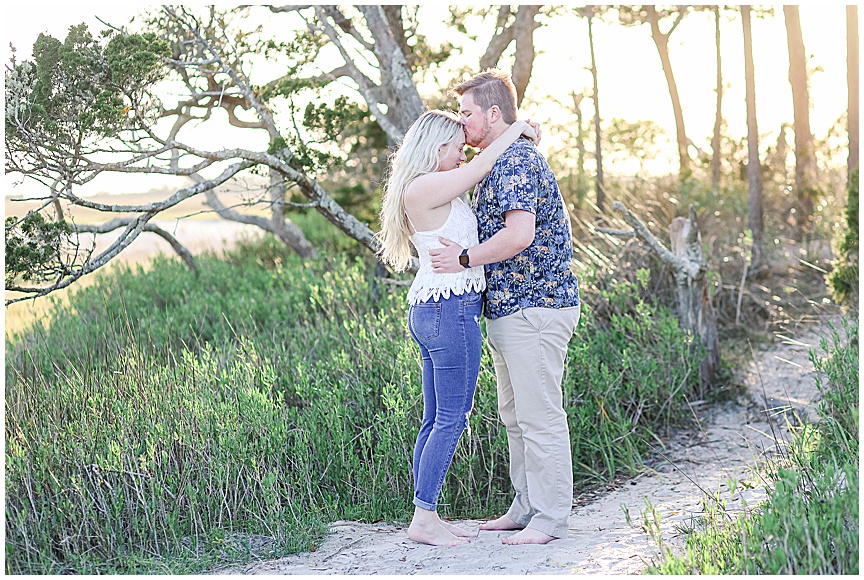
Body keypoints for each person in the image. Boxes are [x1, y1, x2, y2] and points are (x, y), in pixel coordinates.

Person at [429, 69, 581, 546]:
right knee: (516, 415)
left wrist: (464, 259)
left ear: (495, 114)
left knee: (540, 416)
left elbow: (519, 235)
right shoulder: (500, 159)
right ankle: (526, 506)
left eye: (467, 113)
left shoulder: (515, 161)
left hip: (536, 305)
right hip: (512, 309)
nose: (461, 122)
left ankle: (551, 517)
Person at [376, 109, 538, 547]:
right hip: (449, 308)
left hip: (435, 307)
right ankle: (423, 518)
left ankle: (425, 512)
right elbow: (484, 166)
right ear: (437, 147)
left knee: (435, 418)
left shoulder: (426, 187)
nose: (462, 154)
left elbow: (479, 171)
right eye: (456, 148)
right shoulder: (426, 185)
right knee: (451, 418)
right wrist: (519, 130)